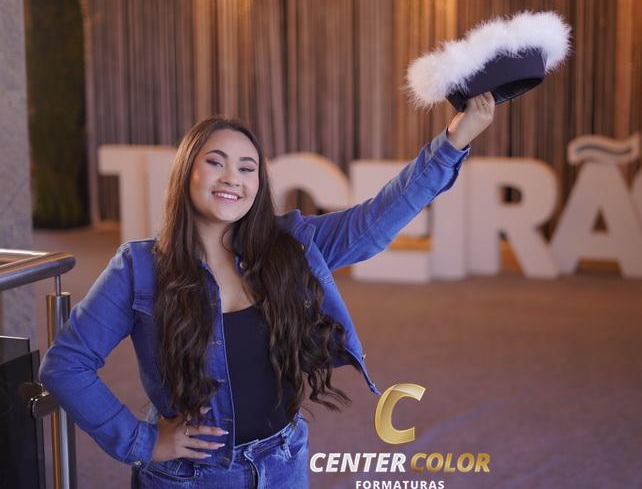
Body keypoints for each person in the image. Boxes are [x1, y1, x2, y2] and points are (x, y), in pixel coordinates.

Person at [39, 92, 496, 488]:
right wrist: (142, 441)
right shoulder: (139, 268)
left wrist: (453, 141)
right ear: (186, 172)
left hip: (283, 461)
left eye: (247, 167)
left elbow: (375, 221)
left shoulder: (288, 245)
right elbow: (66, 365)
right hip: (194, 476)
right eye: (215, 162)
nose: (232, 178)